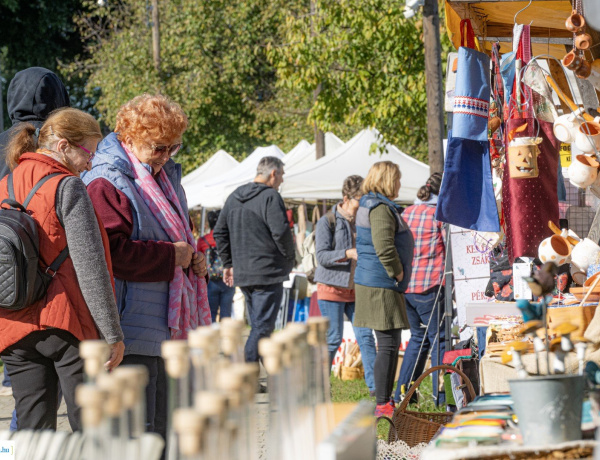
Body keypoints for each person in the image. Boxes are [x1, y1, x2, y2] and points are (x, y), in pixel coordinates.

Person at [83, 94, 210, 449]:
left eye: (174, 147)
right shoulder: (106, 181)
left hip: (165, 326)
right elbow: (110, 254)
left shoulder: (165, 177)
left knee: (168, 431)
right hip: (131, 326)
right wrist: (173, 257)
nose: (166, 156)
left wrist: (194, 259)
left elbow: (180, 237)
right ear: (129, 136)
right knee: (140, 435)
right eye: (158, 148)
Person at [0, 107, 125, 431]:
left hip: (13, 323)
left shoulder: (5, 184)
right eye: (89, 152)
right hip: (66, 322)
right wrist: (112, 334)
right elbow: (91, 267)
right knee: (91, 424)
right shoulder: (67, 186)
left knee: (30, 426)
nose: (91, 162)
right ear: (63, 146)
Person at [0, 67, 71, 401]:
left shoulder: (4, 142)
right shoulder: (58, 149)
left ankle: (15, 451)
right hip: (48, 283)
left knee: (26, 401)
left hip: (4, 281)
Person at [214, 156, 295, 363]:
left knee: (259, 325)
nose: (282, 181)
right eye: (282, 176)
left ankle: (252, 372)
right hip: (267, 272)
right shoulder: (270, 196)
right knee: (262, 326)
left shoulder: (234, 196)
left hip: (245, 272)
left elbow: (220, 232)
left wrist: (229, 263)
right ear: (273, 174)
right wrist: (289, 259)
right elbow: (281, 233)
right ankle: (244, 370)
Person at [354, 161, 414, 418]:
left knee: (390, 342)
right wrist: (397, 271)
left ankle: (385, 400)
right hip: (380, 283)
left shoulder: (373, 204)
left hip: (378, 281)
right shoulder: (379, 208)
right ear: (388, 180)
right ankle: (382, 403)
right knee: (388, 343)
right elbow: (384, 246)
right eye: (398, 179)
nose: (400, 184)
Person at [314, 175, 376, 396]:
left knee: (366, 337)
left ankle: (376, 389)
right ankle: (320, 385)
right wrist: (347, 253)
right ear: (346, 198)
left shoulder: (364, 220)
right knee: (333, 338)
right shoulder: (327, 221)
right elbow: (321, 256)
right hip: (331, 289)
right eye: (359, 199)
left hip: (356, 289)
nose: (362, 204)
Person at [395, 172, 446, 406]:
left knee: (419, 338)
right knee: (439, 340)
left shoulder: (407, 213)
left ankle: (403, 394)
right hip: (430, 287)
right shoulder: (439, 215)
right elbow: (450, 251)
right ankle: (441, 396)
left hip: (407, 287)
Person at [198, 210, 235, 322]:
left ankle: (212, 338)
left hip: (210, 280)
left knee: (211, 314)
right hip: (228, 279)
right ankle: (225, 338)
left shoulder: (203, 240)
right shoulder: (229, 239)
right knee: (226, 314)